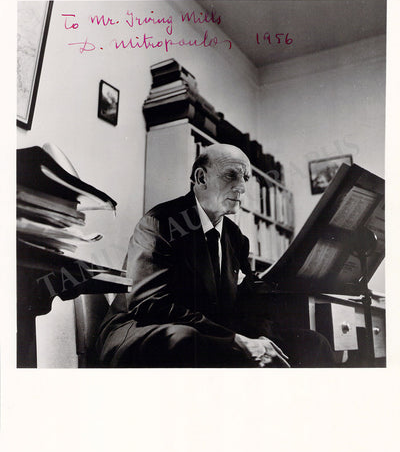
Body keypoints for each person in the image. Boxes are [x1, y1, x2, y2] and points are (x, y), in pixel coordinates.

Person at [97, 144, 334, 368]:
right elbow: (150, 304)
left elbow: (248, 301)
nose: (242, 187)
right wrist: (233, 339)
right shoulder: (160, 222)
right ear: (201, 178)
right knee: (187, 340)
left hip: (210, 334)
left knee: (314, 343)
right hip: (142, 332)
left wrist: (261, 337)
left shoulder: (235, 236)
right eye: (231, 175)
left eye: (245, 178)